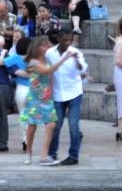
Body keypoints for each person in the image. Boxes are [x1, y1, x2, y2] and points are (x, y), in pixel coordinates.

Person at [21, 36, 75, 165]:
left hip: (46, 97)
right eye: (44, 46)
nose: (47, 48)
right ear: (38, 48)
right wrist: (64, 58)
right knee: (32, 126)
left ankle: (44, 155)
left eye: (47, 45)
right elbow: (48, 71)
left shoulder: (46, 59)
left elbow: (50, 76)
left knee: (51, 125)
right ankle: (28, 152)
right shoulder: (33, 62)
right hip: (34, 98)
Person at [46, 30, 87, 166]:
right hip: (58, 93)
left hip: (74, 92)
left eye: (70, 40)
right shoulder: (50, 53)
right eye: (65, 40)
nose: (68, 43)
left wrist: (76, 59)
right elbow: (48, 70)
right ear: (58, 39)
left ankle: (73, 155)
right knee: (56, 125)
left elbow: (82, 69)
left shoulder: (76, 52)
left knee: (73, 125)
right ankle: (52, 154)